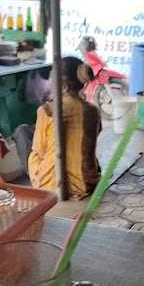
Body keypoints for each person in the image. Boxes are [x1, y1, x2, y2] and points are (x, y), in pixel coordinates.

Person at [14, 56, 101, 198]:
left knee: (22, 132)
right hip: (87, 182)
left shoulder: (47, 110)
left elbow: (40, 149)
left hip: (52, 184)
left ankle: (36, 184)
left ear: (63, 85)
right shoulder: (93, 110)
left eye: (52, 80)